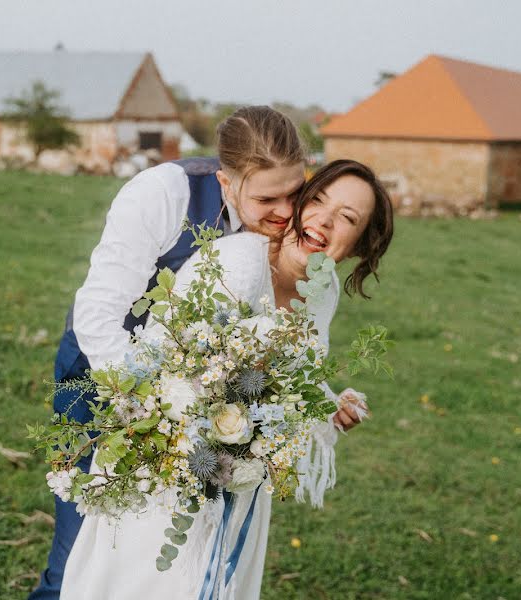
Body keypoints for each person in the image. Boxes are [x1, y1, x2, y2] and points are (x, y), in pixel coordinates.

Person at [59, 159, 394, 599]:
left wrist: (326, 405)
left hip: (239, 491)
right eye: (318, 201)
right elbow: (158, 365)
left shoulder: (322, 290)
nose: (324, 220)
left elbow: (291, 372)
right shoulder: (235, 261)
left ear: (357, 247)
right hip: (163, 470)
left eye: (347, 218)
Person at [29, 106, 307, 600]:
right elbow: (98, 313)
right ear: (225, 182)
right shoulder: (163, 193)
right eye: (267, 198)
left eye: (295, 192)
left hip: (201, 401)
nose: (286, 212)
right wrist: (150, 405)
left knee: (156, 558)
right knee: (83, 553)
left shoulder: (287, 222)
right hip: (103, 377)